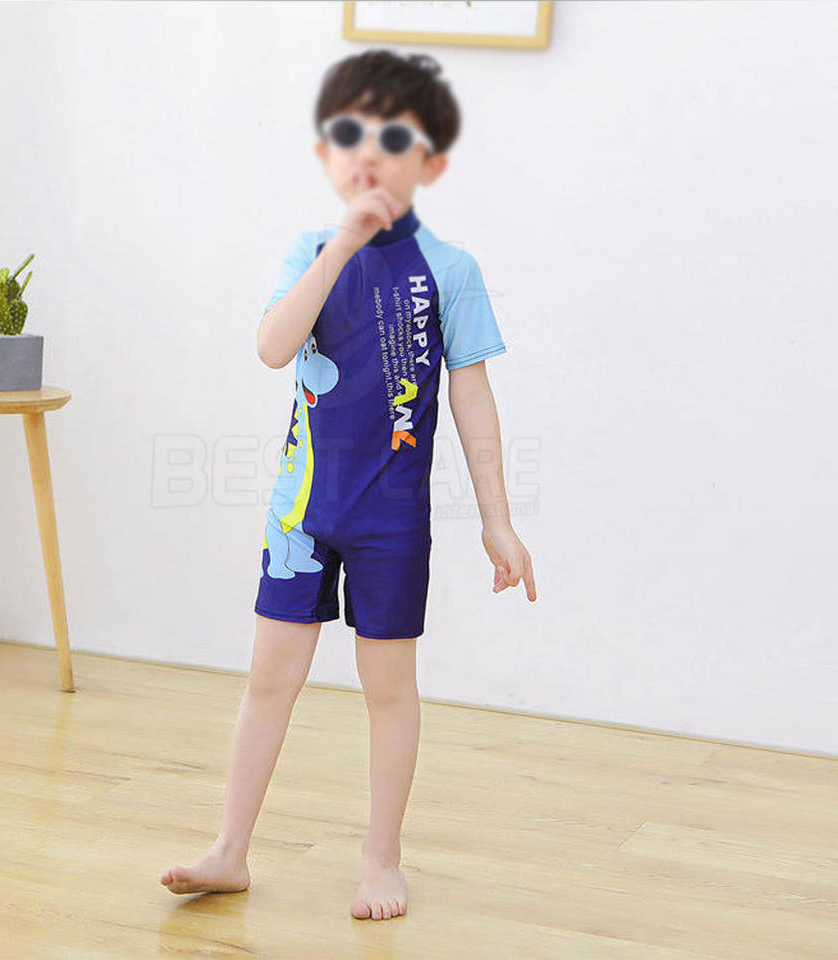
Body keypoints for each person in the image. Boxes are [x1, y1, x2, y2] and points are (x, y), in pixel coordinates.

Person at [161, 49, 536, 921]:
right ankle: (229, 850)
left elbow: (474, 401)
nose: (370, 150)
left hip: (390, 522)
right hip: (301, 513)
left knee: (388, 688)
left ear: (430, 163)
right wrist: (341, 246)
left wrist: (499, 521)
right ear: (325, 154)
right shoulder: (310, 252)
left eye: (394, 137)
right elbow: (272, 346)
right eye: (350, 133)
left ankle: (380, 858)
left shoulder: (451, 270)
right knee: (269, 677)